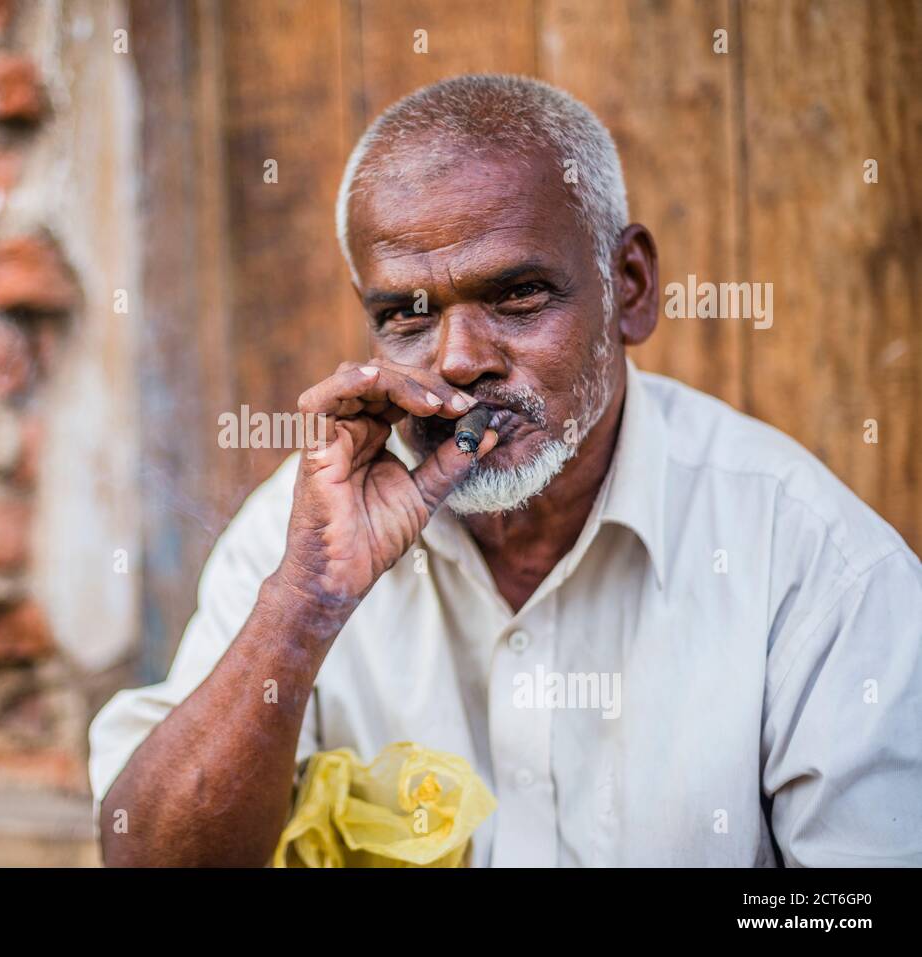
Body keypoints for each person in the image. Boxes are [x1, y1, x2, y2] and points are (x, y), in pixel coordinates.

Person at [90, 74, 922, 867]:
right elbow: (147, 851)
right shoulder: (305, 536)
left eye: (519, 294)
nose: (458, 360)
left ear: (628, 286)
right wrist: (306, 605)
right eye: (405, 315)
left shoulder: (816, 566)